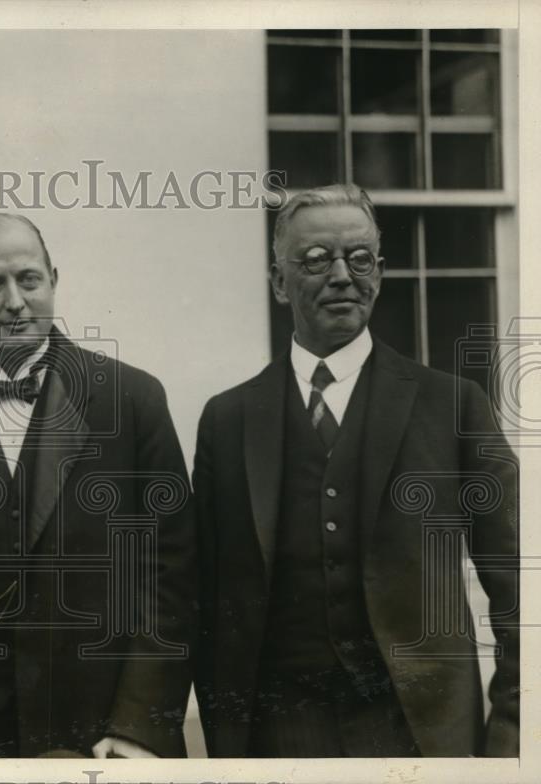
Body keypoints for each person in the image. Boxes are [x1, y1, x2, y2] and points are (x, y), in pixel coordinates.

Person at [193, 183, 519, 757]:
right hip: (277, 738)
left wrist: (513, 737)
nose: (342, 275)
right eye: (316, 259)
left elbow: (522, 587)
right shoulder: (228, 419)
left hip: (420, 735)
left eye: (359, 258)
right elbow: (202, 597)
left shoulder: (454, 406)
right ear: (277, 282)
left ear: (380, 271)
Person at [0, 213, 195, 758]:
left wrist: (136, 727)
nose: (14, 301)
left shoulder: (133, 402)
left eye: (28, 279)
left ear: (53, 278)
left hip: (100, 736)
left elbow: (172, 575)